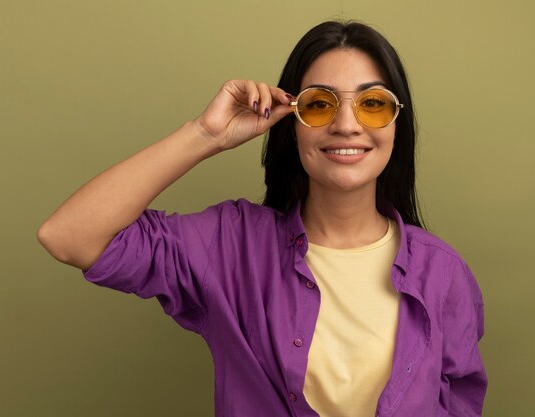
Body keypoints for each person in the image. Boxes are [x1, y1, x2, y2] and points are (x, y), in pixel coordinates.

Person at [38, 20, 487, 417]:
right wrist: (205, 134)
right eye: (319, 104)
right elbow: (67, 236)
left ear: (396, 124)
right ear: (291, 123)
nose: (347, 125)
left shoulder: (444, 274)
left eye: (373, 103)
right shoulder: (230, 246)